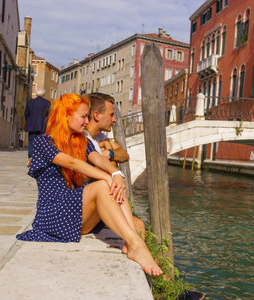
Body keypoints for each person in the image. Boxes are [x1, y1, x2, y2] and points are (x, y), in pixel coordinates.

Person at [16, 93, 162, 276]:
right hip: (52, 214)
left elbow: (98, 160)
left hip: (75, 212)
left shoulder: (81, 141)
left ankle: (132, 242)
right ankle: (136, 244)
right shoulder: (43, 142)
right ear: (66, 116)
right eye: (83, 116)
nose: (86, 121)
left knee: (115, 183)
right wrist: (108, 178)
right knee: (103, 184)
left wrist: (116, 174)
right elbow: (72, 163)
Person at [85, 92, 146, 239]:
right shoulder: (84, 140)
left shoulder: (99, 137)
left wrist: (109, 153)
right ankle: (139, 252)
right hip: (90, 203)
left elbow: (124, 155)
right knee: (138, 226)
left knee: (138, 226)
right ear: (97, 115)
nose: (114, 120)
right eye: (111, 115)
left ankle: (137, 250)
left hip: (100, 200)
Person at [24, 88, 50, 160]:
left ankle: (31, 157)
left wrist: (28, 121)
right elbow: (47, 115)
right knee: (41, 143)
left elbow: (26, 113)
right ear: (44, 94)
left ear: (36, 94)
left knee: (31, 142)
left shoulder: (30, 102)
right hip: (42, 126)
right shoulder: (47, 103)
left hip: (31, 126)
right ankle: (39, 158)